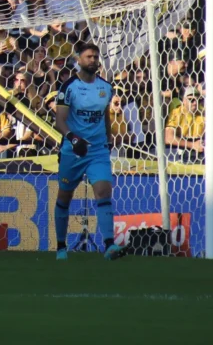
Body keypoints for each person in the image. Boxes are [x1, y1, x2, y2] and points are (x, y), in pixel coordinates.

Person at [54, 41, 123, 260]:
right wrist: (73, 139)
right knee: (65, 196)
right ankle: (61, 247)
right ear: (78, 60)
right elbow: (60, 120)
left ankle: (110, 245)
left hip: (97, 151)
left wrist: (109, 140)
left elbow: (104, 116)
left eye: (95, 57)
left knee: (103, 191)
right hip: (73, 150)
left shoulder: (105, 87)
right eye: (89, 57)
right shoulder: (68, 87)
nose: (93, 60)